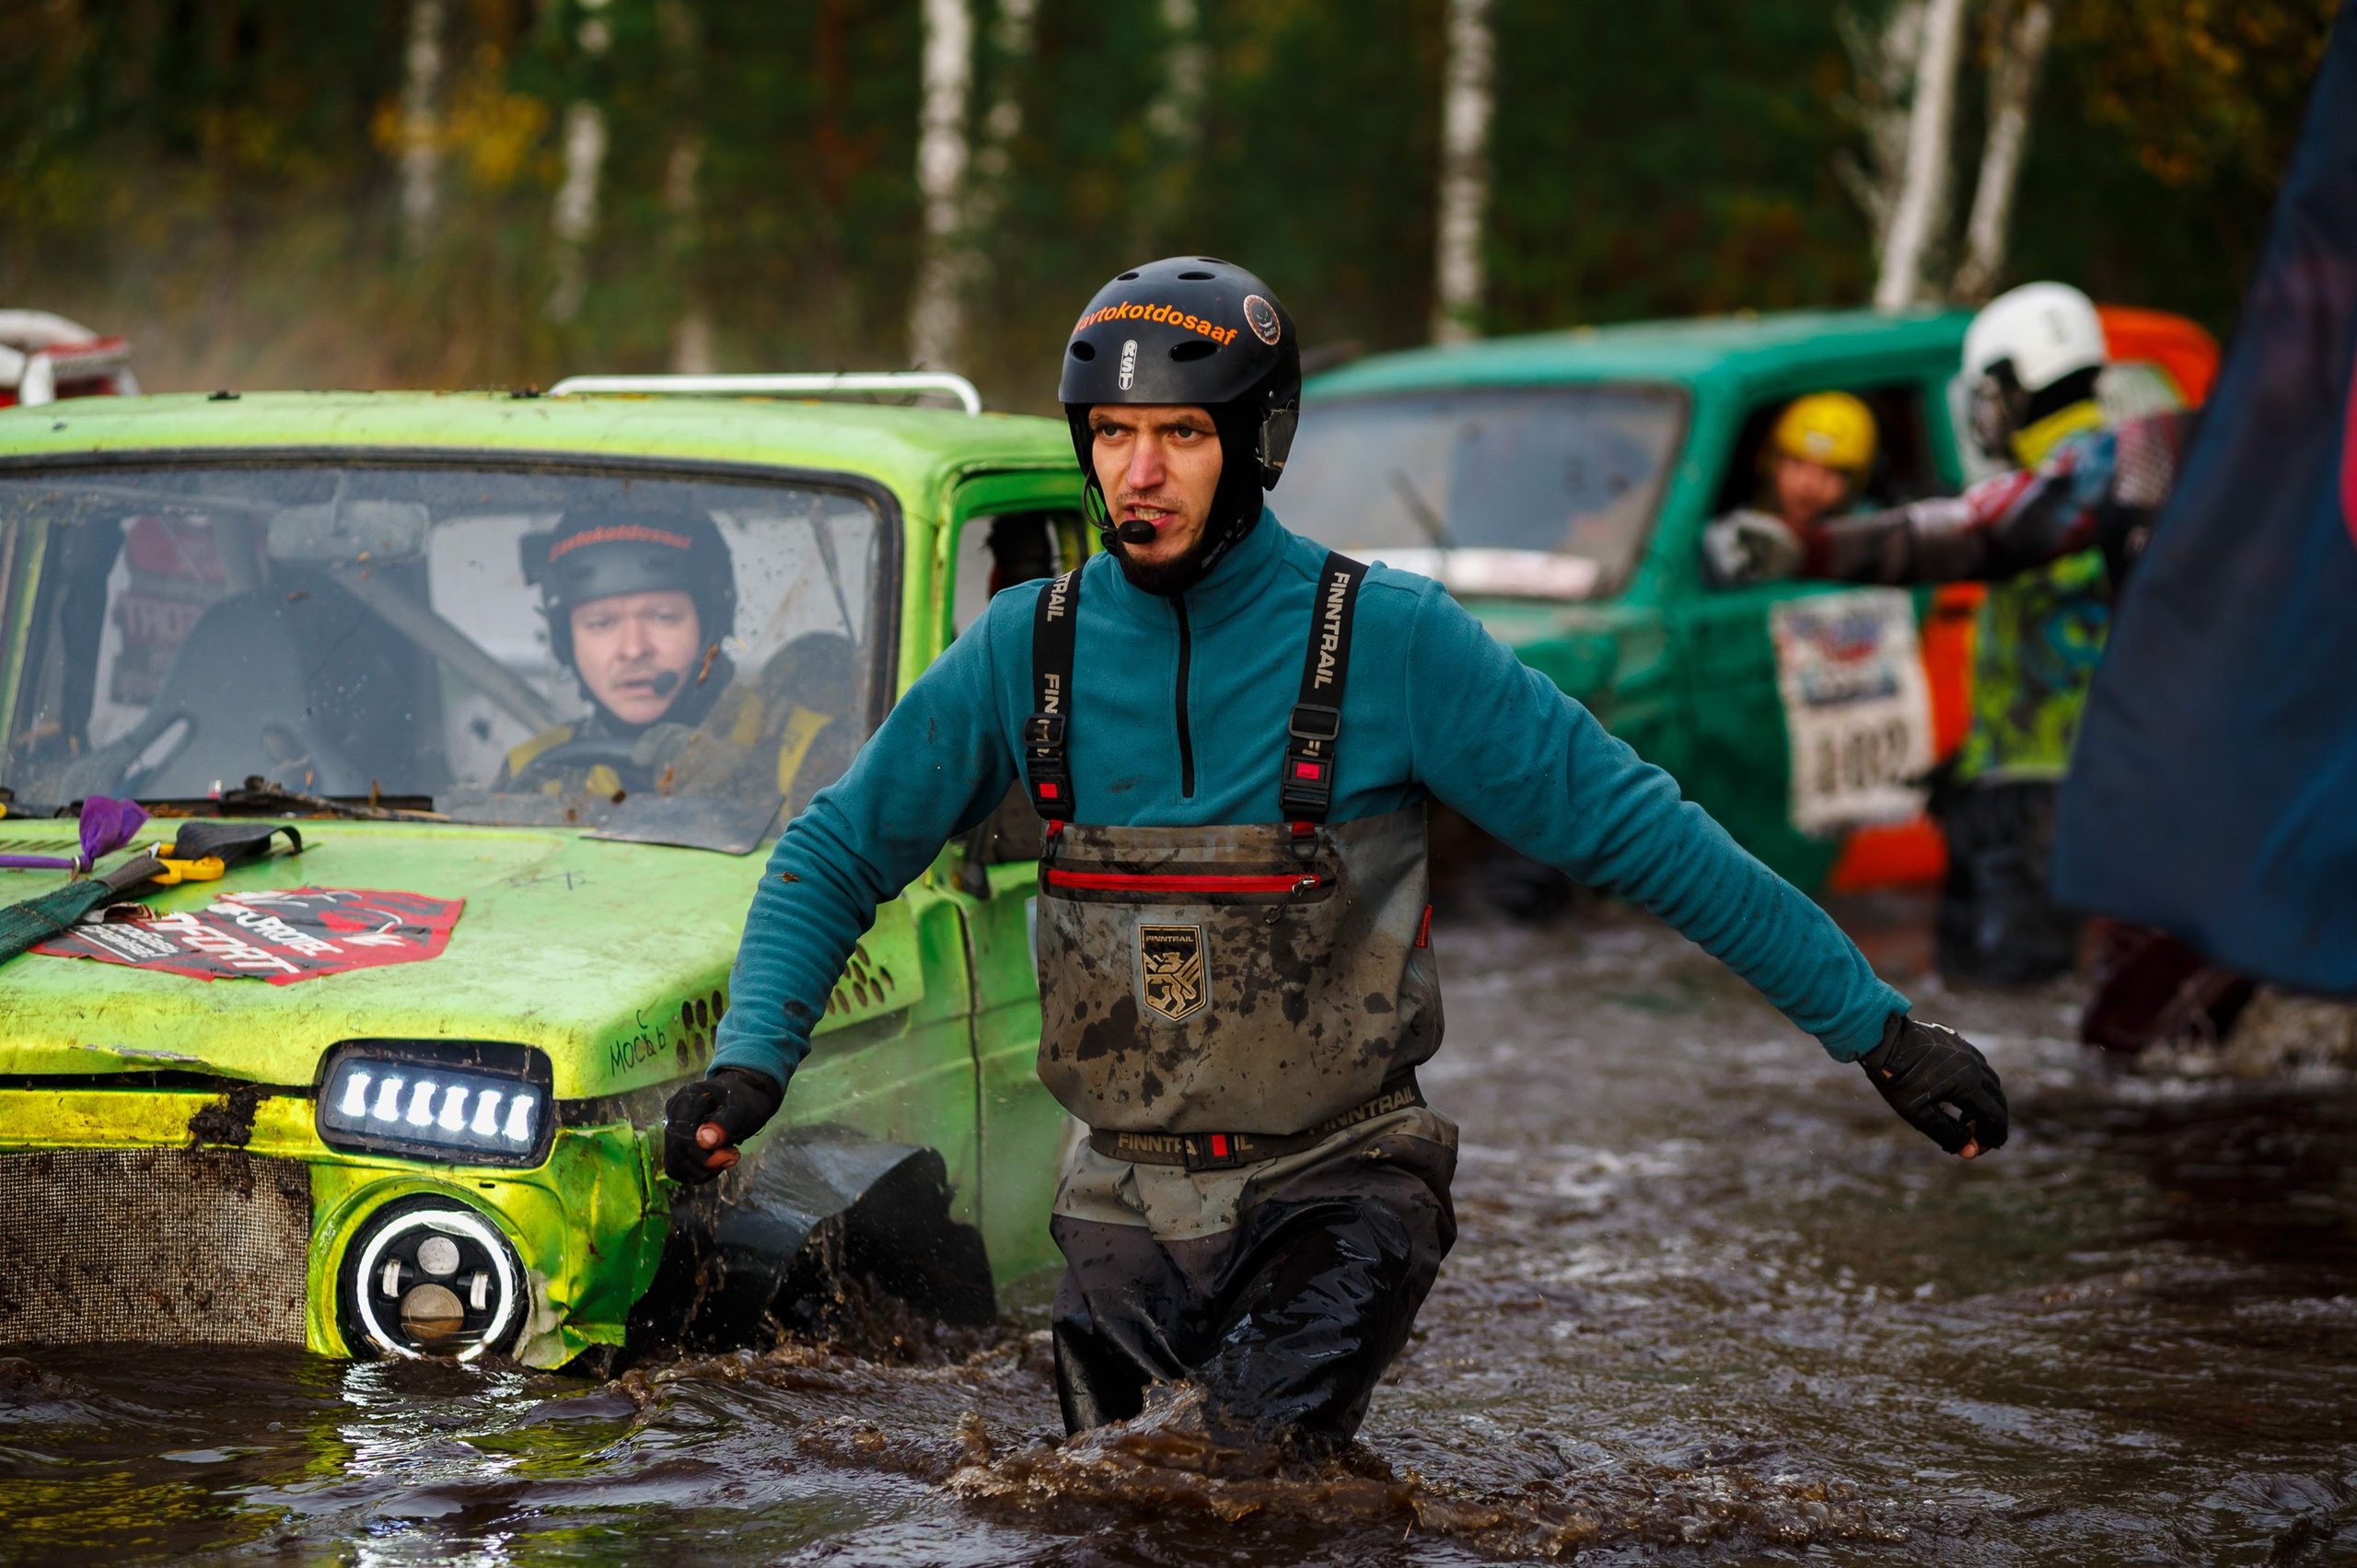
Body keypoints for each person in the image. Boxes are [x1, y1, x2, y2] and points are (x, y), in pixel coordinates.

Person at [666, 257, 2010, 1461]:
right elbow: (834, 853)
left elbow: (1648, 836)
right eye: (1114, 434)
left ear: (1260, 441)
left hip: (1342, 1183)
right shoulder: (1026, 649)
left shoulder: (1395, 641)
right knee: (1094, 1513)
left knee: (1245, 1490)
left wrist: (1881, 1033)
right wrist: (755, 1057)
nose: (1139, 472)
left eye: (1182, 434)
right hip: (1120, 1191)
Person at [1707, 282, 2197, 989]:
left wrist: (1805, 546)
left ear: (2011, 386)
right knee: (1982, 992)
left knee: (2014, 994)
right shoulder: (2129, 471)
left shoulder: (2090, 480)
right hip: (2023, 782)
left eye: (1985, 395)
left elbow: (1965, 536)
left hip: (2052, 794)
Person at [503, 509, 858, 812]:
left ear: (711, 626)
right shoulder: (532, 771)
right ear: (566, 642)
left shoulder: (803, 745)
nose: (633, 648)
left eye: (663, 617)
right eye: (601, 623)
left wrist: (739, 785)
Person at [1700, 390, 1879, 583]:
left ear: (1856, 481)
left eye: (1831, 471)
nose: (1808, 485)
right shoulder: (1733, 533)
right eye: (1796, 463)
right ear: (1771, 462)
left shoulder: (1874, 541)